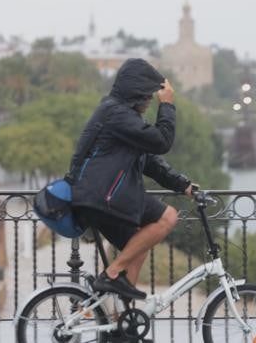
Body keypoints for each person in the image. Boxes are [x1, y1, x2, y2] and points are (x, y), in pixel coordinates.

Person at [70, 58, 194, 302]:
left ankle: (122, 323)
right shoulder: (116, 113)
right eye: (148, 96)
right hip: (101, 196)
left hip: (97, 196)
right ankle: (111, 274)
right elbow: (162, 142)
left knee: (137, 247)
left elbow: (149, 161)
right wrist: (167, 105)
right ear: (135, 94)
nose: (150, 101)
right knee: (168, 217)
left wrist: (184, 185)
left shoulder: (122, 115)